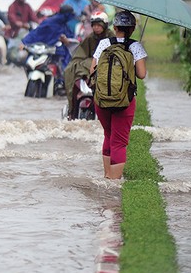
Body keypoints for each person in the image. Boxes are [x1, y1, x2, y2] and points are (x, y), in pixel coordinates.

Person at [91, 11, 148, 179]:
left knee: (108, 136)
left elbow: (92, 70)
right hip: (125, 100)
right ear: (132, 28)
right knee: (119, 142)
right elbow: (142, 74)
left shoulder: (103, 43)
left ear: (114, 27)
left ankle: (107, 177)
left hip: (101, 100)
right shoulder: (135, 46)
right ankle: (114, 186)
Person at [63, 12, 114, 119]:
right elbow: (80, 54)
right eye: (94, 25)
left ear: (104, 25)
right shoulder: (90, 38)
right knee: (70, 70)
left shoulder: (111, 38)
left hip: (107, 65)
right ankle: (72, 110)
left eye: (99, 25)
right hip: (91, 65)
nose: (96, 28)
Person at [22, 4, 76, 72]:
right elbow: (37, 33)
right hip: (42, 49)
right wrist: (25, 42)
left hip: (54, 51)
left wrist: (66, 40)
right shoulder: (51, 22)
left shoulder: (64, 25)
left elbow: (70, 37)